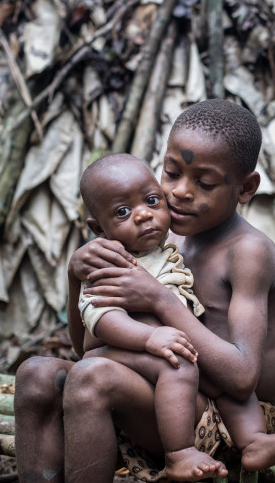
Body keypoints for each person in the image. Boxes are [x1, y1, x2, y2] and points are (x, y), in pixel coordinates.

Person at [13, 99, 275, 483]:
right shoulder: (162, 242)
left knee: (92, 378)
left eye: (204, 183)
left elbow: (241, 378)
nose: (180, 192)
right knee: (36, 374)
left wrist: (157, 298)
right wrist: (75, 278)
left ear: (246, 188)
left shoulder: (247, 253)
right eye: (171, 173)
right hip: (164, 389)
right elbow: (87, 346)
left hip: (230, 420)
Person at [76, 152, 223, 481]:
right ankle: (179, 453)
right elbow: (100, 321)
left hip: (150, 364)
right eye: (123, 212)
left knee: (180, 363)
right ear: (99, 229)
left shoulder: (164, 253)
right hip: (126, 354)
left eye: (152, 200)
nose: (143, 215)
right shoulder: (109, 262)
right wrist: (150, 336)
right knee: (178, 364)